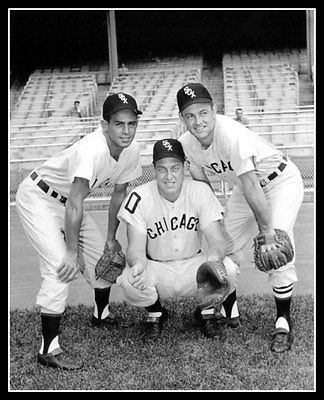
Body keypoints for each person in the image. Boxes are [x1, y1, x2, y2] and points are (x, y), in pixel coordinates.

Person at [15, 92, 143, 370]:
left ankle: (101, 314)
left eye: (131, 123)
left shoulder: (132, 150)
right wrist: (72, 252)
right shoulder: (91, 150)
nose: (126, 130)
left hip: (70, 202)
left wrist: (111, 239)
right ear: (104, 124)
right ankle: (49, 349)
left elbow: (119, 194)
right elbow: (74, 203)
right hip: (40, 197)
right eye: (119, 123)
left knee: (102, 258)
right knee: (59, 266)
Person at [176, 82, 304, 353]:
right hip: (244, 188)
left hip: (279, 181)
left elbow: (251, 185)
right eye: (190, 115)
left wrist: (267, 229)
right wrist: (214, 225)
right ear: (182, 118)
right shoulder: (187, 144)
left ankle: (283, 321)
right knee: (221, 245)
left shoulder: (231, 134)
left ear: (213, 110)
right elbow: (203, 188)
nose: (197, 121)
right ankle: (229, 309)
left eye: (202, 113)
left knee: (276, 245)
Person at [116, 138, 240, 341]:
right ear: (154, 170)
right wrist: (137, 264)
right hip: (156, 267)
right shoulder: (139, 197)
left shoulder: (200, 191)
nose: (169, 176)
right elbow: (135, 248)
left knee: (229, 269)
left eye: (175, 168)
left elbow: (217, 240)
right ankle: (156, 313)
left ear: (185, 167)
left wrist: (215, 261)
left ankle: (205, 312)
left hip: (194, 266)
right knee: (129, 279)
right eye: (162, 169)